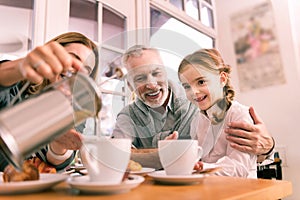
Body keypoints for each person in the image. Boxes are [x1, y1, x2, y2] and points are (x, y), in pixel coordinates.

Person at [112, 45, 274, 169]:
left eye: (156, 73)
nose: (152, 84)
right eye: (140, 78)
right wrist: (160, 155)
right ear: (130, 84)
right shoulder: (127, 116)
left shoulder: (198, 101)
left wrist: (267, 147)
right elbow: (115, 154)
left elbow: (240, 150)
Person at [0, 32, 98, 171]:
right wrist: (16, 68)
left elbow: (57, 164)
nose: (77, 71)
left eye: (86, 69)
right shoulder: (18, 84)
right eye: (72, 60)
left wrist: (58, 145)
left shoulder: (76, 109)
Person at [178, 48, 256, 177]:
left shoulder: (238, 115)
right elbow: (196, 159)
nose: (194, 92)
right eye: (187, 86)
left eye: (201, 82)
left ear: (222, 79)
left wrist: (202, 170)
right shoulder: (196, 120)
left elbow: (238, 168)